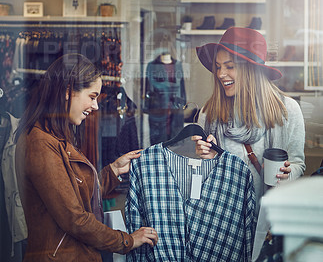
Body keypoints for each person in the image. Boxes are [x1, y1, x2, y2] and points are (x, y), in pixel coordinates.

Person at [15, 53, 158, 261]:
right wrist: (127, 240)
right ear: (67, 92)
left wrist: (114, 170)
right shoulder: (41, 143)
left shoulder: (56, 138)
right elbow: (74, 219)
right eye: (92, 97)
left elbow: (75, 197)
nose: (96, 106)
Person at [193, 27, 305, 212]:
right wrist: (205, 158)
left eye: (230, 67)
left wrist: (287, 174)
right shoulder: (210, 112)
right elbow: (200, 178)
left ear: (251, 70)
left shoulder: (287, 110)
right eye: (219, 66)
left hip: (269, 219)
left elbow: (298, 164)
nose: (220, 74)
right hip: (226, 219)